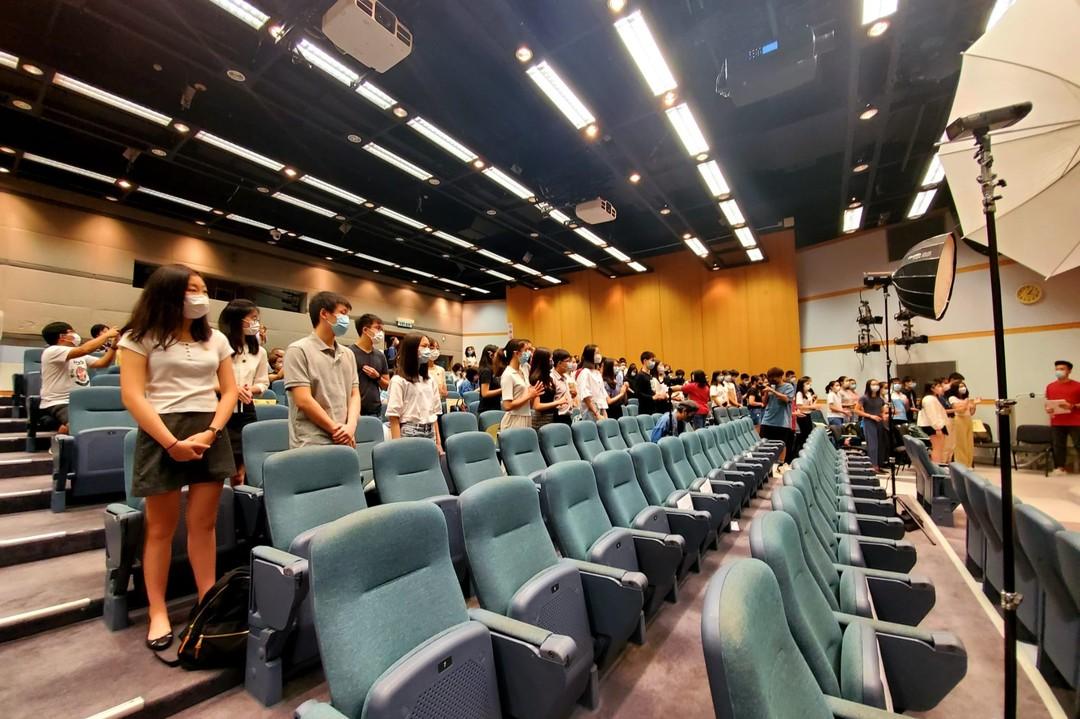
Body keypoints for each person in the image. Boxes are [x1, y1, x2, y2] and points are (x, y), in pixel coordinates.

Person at [117, 264, 238, 651]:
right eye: (192, 289)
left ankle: (206, 599)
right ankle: (157, 610)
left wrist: (212, 431)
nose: (200, 296)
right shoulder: (140, 337)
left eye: (203, 289)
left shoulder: (216, 339)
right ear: (169, 293)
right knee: (160, 529)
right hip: (161, 431)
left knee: (203, 526)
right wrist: (171, 442)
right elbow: (133, 396)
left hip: (209, 429)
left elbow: (230, 391)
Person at [283, 291, 360, 449]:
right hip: (311, 441)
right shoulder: (298, 350)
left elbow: (355, 394)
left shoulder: (348, 354)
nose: (346, 320)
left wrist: (350, 428)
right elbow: (303, 400)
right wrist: (335, 429)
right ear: (324, 314)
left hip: (345, 438)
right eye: (342, 313)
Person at [218, 299, 269, 485]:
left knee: (241, 473)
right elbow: (206, 381)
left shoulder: (259, 352)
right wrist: (232, 389)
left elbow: (263, 383)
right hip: (220, 409)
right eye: (252, 318)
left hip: (246, 411)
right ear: (236, 320)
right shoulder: (218, 345)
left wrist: (251, 389)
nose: (256, 323)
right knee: (221, 469)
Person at [39, 321, 119, 433]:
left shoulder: (76, 354)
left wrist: (113, 347)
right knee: (81, 426)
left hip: (83, 400)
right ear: (62, 337)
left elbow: (102, 363)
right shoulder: (52, 351)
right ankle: (59, 441)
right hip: (61, 401)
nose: (76, 334)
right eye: (72, 332)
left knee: (105, 423)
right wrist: (106, 335)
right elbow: (84, 349)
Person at [386, 333, 444, 451]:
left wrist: (438, 443)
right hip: (410, 432)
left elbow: (434, 415)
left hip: (430, 431)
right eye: (424, 346)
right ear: (412, 350)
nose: (428, 350)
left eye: (429, 346)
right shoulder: (398, 380)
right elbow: (394, 418)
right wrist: (398, 448)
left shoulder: (430, 380)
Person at [348, 313, 389, 418]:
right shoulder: (348, 353)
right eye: (377, 328)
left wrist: (377, 377)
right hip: (351, 411)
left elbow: (386, 385)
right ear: (365, 330)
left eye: (382, 329)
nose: (381, 332)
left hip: (374, 411)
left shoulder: (380, 356)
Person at [1045, 360, 1080, 475]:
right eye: (1057, 369)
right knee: (1058, 446)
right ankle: (1060, 468)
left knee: (1078, 444)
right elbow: (1048, 402)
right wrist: (1048, 409)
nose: (1059, 371)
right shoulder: (1050, 386)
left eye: (1062, 369)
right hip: (1057, 421)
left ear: (1069, 371)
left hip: (1075, 421)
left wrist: (1072, 405)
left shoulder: (1077, 386)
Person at [499, 338, 542, 430]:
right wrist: (529, 396)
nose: (528, 354)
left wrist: (533, 393)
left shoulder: (523, 370)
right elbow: (507, 405)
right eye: (526, 350)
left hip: (526, 416)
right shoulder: (508, 374)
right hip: (514, 420)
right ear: (516, 353)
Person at [759, 367, 795, 465]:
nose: (772, 380)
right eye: (770, 378)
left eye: (774, 378)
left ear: (780, 376)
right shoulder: (770, 387)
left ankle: (780, 465)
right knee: (763, 445)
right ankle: (766, 465)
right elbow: (764, 403)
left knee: (781, 446)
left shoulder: (788, 387)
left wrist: (773, 391)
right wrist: (766, 392)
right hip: (767, 421)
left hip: (781, 423)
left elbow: (787, 399)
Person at [855, 379, 888, 472]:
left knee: (880, 444)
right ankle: (873, 466)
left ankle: (878, 464)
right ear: (868, 386)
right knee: (873, 445)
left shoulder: (880, 399)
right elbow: (856, 410)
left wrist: (884, 415)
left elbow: (881, 411)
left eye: (877, 384)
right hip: (869, 422)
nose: (876, 386)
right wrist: (870, 416)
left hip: (879, 422)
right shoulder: (864, 398)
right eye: (873, 384)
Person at [530, 347, 567, 428]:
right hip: (540, 420)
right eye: (550, 359)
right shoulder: (537, 379)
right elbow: (537, 406)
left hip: (551, 418)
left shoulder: (548, 377)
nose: (552, 362)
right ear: (543, 361)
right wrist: (558, 402)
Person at [917, 379, 950, 464]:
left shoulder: (934, 398)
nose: (941, 388)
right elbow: (932, 415)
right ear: (932, 388)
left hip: (937, 426)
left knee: (940, 448)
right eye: (938, 386)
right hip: (934, 427)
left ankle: (938, 465)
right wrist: (938, 428)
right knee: (937, 448)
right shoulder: (929, 399)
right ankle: (936, 467)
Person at [945, 379, 977, 467]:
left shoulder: (965, 398)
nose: (963, 388)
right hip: (959, 420)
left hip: (968, 420)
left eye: (964, 386)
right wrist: (967, 403)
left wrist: (974, 405)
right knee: (960, 443)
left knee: (969, 443)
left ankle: (969, 464)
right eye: (960, 387)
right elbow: (961, 410)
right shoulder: (952, 398)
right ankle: (962, 465)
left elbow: (971, 412)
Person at [576, 344, 608, 421]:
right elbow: (587, 397)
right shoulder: (585, 373)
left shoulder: (597, 373)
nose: (599, 355)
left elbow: (601, 396)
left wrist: (604, 413)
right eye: (597, 353)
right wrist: (597, 414)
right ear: (590, 355)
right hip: (590, 412)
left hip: (600, 410)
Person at [793, 376, 816, 456]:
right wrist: (811, 407)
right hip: (802, 415)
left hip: (808, 414)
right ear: (802, 384)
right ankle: (800, 453)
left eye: (810, 383)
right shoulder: (799, 393)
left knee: (809, 433)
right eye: (807, 383)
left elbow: (811, 405)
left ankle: (807, 452)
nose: (809, 385)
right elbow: (799, 406)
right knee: (804, 435)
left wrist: (814, 403)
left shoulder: (809, 393)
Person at [550, 349, 574, 425]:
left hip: (567, 416)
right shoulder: (551, 377)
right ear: (559, 363)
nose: (570, 364)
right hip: (557, 417)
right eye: (567, 361)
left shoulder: (565, 377)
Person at [477, 344, 502, 413]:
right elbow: (485, 393)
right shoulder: (486, 371)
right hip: (487, 409)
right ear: (491, 355)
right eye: (497, 355)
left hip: (494, 407)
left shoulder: (491, 370)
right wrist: (502, 390)